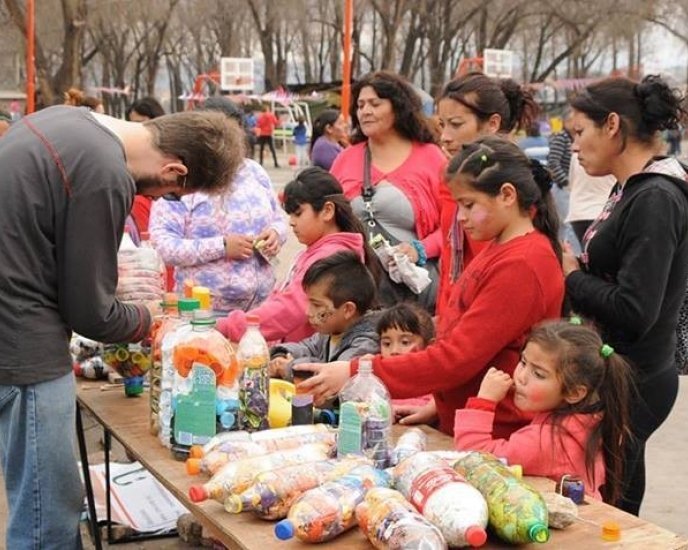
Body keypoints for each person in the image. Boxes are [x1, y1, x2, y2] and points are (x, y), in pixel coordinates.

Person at [0, 106, 244, 549]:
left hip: (14, 331)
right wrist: (152, 316)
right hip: (22, 346)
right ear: (174, 170)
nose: (160, 199)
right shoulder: (104, 170)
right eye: (173, 194)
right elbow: (92, 313)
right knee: (47, 514)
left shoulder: (65, 120)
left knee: (35, 496)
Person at [296, 137, 564, 438]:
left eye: (468, 204)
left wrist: (357, 371)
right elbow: (468, 342)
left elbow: (458, 357)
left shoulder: (523, 264)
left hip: (495, 431)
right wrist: (439, 406)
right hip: (467, 419)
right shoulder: (501, 247)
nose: (460, 218)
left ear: (506, 195)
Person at [563, 75, 688, 515]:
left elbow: (635, 310)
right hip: (621, 375)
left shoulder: (656, 196)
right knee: (616, 502)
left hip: (638, 380)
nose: (575, 148)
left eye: (579, 132)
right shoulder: (630, 187)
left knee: (614, 511)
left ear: (612, 124)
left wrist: (572, 276)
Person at [454, 319, 634, 504]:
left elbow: (475, 460)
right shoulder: (589, 421)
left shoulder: (551, 440)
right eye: (523, 362)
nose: (521, 377)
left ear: (574, 393)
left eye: (538, 374)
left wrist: (484, 402)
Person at [149, 96, 288, 315]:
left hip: (260, 312)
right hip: (204, 314)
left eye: (234, 135)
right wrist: (222, 247)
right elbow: (163, 246)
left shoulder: (254, 171)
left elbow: (279, 217)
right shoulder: (183, 177)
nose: (229, 144)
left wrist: (275, 234)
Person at [216, 167, 377, 344]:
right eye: (290, 215)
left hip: (308, 356)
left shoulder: (331, 256)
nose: (291, 222)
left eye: (298, 213)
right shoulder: (319, 249)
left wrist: (231, 327)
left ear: (327, 211)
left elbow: (290, 309)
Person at [330, 71, 446, 313]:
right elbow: (327, 220)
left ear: (398, 107)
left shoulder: (431, 157)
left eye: (375, 103)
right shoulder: (346, 159)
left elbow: (453, 226)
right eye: (360, 105)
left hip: (416, 293)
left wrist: (419, 249)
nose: (365, 111)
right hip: (358, 293)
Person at [435, 72, 538, 317]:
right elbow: (450, 259)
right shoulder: (451, 174)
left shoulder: (507, 185)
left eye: (456, 124)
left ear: (492, 124)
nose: (445, 137)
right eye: (442, 125)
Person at [269, 251, 379, 380]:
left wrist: (290, 367)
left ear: (348, 310)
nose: (308, 312)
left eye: (317, 305)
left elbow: (331, 376)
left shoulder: (366, 344)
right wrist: (280, 355)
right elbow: (307, 347)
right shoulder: (330, 332)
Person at [375, 302, 436, 412]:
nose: (394, 351)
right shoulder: (376, 380)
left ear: (429, 346)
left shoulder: (436, 383)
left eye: (405, 342)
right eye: (387, 343)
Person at [565, 153, 615, 244]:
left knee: (584, 251)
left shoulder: (576, 156)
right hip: (603, 211)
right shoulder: (612, 155)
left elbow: (570, 184)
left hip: (578, 213)